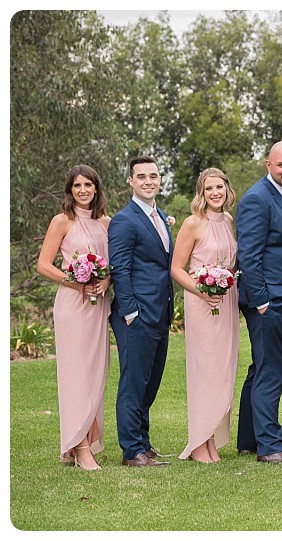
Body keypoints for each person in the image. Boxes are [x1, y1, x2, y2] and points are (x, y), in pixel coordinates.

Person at [236, 141, 282, 464]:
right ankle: (269, 446)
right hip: (270, 301)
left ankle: (248, 439)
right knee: (271, 369)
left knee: (260, 367)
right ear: (268, 164)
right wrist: (263, 301)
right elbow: (249, 256)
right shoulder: (257, 199)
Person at [36, 165, 111, 471]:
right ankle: (79, 447)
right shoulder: (62, 221)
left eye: (88, 185)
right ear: (70, 190)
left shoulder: (107, 221)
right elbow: (44, 265)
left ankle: (89, 438)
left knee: (96, 372)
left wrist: (107, 281)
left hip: (98, 305)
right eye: (77, 185)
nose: (83, 190)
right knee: (76, 374)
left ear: (96, 188)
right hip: (72, 306)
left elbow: (114, 263)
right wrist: (75, 280)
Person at [109, 156, 174, 467]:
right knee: (133, 382)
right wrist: (131, 312)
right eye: (142, 176)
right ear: (131, 181)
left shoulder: (159, 216)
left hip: (161, 311)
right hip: (137, 314)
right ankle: (131, 450)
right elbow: (119, 268)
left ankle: (144, 444)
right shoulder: (125, 220)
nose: (149, 181)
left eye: (154, 175)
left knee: (151, 382)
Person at [171, 168, 239, 463]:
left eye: (220, 187)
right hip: (201, 302)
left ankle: (210, 439)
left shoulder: (228, 221)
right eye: (209, 188)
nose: (215, 193)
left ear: (227, 190)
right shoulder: (192, 223)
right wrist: (201, 290)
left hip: (226, 302)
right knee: (206, 369)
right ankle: (198, 442)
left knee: (223, 370)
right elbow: (176, 268)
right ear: (201, 192)